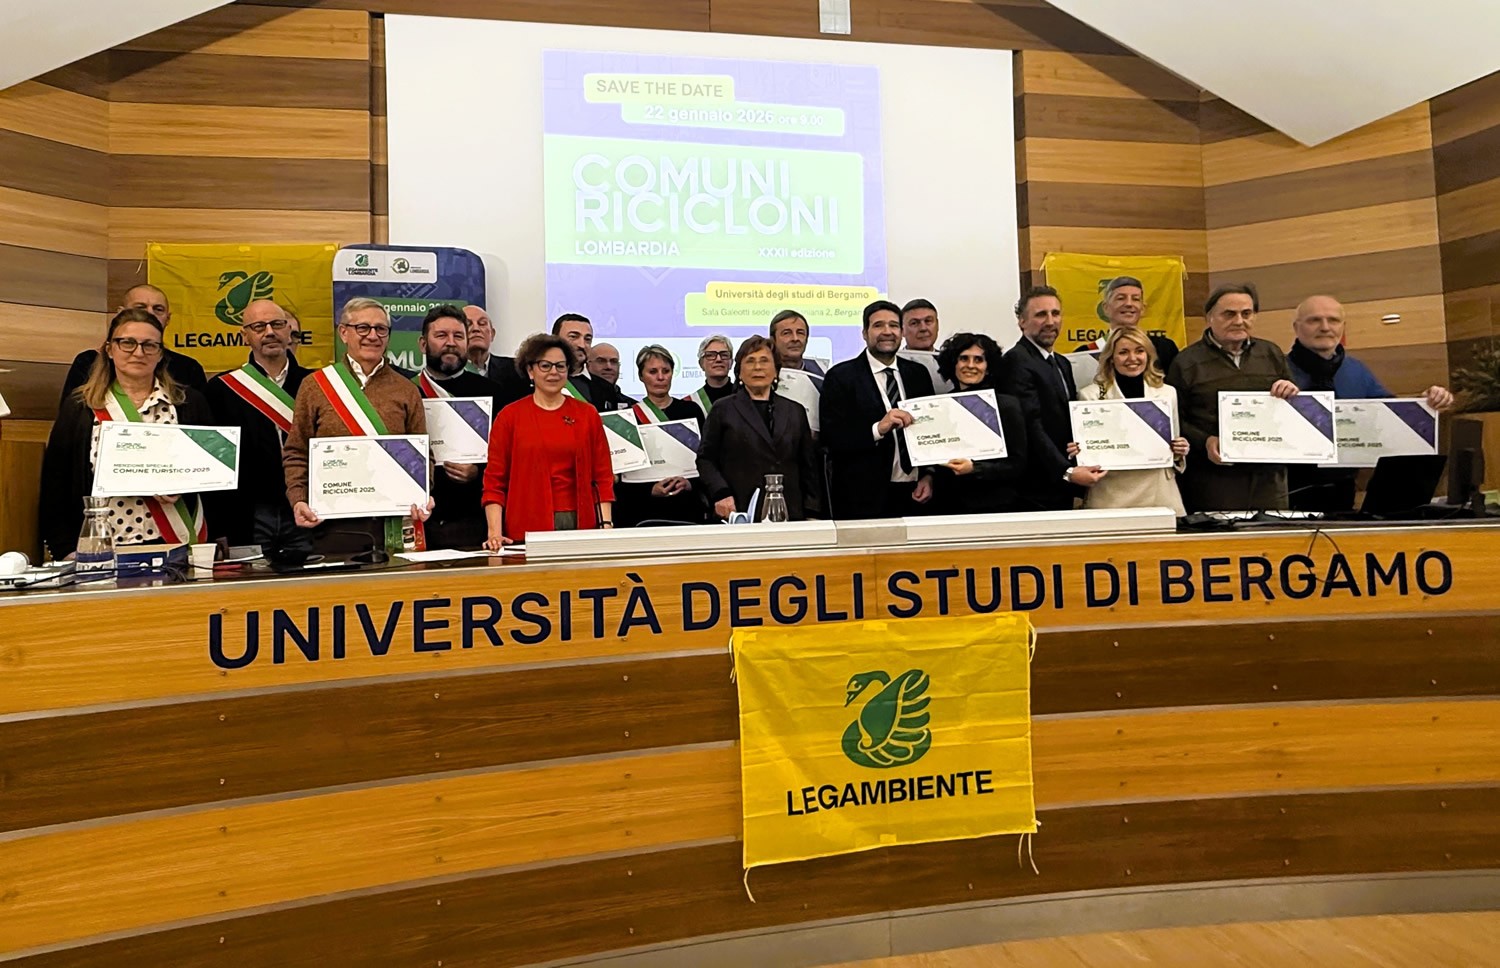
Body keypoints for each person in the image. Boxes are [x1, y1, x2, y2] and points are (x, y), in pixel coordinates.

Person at [40, 308, 214, 559]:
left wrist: (185, 484)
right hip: (104, 546)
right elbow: (56, 481)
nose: (139, 352)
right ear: (110, 349)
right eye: (127, 343)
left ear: (160, 354)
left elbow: (211, 471)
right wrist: (64, 548)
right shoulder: (81, 406)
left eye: (149, 345)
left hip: (176, 544)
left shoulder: (189, 403)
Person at [282, 297, 431, 553]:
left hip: (393, 525)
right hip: (333, 526)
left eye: (381, 329)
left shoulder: (407, 390)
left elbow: (423, 455)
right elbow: (296, 451)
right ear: (343, 333)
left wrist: (423, 495)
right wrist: (298, 499)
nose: (372, 336)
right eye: (363, 328)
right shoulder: (315, 386)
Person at [1284, 294, 1455, 512]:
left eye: (1333, 320)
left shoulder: (1356, 370)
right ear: (1296, 327)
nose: (1325, 327)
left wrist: (1426, 402)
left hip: (1344, 492)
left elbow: (1392, 415)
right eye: (1314, 320)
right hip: (1286, 493)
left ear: (1343, 327)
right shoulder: (1277, 370)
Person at [1166, 283, 1301, 512]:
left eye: (1246, 314)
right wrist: (1205, 441)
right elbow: (1175, 420)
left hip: (1269, 479)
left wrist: (1291, 392)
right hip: (1213, 479)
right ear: (1209, 318)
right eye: (1229, 314)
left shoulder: (1271, 353)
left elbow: (1292, 409)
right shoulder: (1186, 362)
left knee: (1271, 532)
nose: (1239, 321)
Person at [482, 334, 614, 548]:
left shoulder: (587, 414)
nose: (554, 372)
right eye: (545, 366)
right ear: (530, 370)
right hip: (526, 526)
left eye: (560, 366)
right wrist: (494, 533)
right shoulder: (509, 417)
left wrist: (605, 525)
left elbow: (602, 476)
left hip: (583, 525)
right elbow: (495, 481)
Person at [203, 299, 311, 557]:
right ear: (245, 336)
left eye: (277, 324)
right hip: (247, 513)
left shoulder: (315, 383)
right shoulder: (221, 389)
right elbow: (214, 462)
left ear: (289, 331)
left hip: (306, 508)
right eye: (259, 327)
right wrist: (218, 524)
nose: (270, 332)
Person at [820, 300, 937, 519]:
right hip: (863, 498)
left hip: (915, 493)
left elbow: (931, 429)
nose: (887, 332)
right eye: (878, 325)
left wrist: (928, 475)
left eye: (893, 325)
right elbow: (832, 437)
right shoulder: (841, 376)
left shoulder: (918, 374)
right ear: (865, 333)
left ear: (902, 332)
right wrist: (877, 429)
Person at [999, 285, 1102, 510]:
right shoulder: (1016, 361)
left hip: (1061, 484)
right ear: (1022, 321)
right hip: (1033, 488)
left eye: (1055, 313)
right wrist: (1066, 471)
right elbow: (1030, 425)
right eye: (1040, 315)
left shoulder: (1062, 363)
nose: (1050, 321)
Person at [697, 335, 822, 521]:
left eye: (764, 361)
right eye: (750, 361)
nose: (757, 367)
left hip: (791, 513)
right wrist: (720, 494)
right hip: (739, 511)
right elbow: (706, 459)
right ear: (739, 372)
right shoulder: (723, 409)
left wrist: (812, 512)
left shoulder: (795, 410)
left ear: (776, 370)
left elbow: (808, 467)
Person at [415, 305, 506, 549]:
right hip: (422, 518)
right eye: (441, 335)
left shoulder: (492, 392)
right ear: (423, 344)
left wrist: (478, 472)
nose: (451, 343)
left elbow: (506, 458)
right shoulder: (407, 391)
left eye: (458, 336)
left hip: (476, 520)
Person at [1070, 327, 1188, 515]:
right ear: (1111, 358)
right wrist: (1078, 452)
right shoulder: (1090, 396)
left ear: (1148, 355)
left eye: (1139, 351)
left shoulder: (1167, 393)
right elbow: (1087, 454)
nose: (1132, 358)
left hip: (1159, 492)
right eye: (1123, 352)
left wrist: (1179, 450)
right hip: (1110, 493)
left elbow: (1172, 447)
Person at [930, 333, 1030, 514]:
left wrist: (975, 468)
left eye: (978, 360)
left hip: (995, 505)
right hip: (947, 504)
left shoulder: (1006, 405)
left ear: (989, 367)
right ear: (953, 364)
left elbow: (1017, 464)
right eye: (964, 358)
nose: (970, 365)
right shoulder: (940, 405)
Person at [59, 285, 207, 404]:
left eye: (158, 309)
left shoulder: (189, 368)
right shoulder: (87, 363)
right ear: (121, 313)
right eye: (140, 307)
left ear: (167, 319)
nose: (150, 314)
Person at [613, 345, 706, 527]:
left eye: (666, 371)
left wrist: (689, 484)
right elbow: (623, 476)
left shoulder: (691, 410)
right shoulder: (628, 418)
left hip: (687, 509)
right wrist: (649, 490)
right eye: (653, 371)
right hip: (642, 513)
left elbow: (706, 459)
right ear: (641, 376)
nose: (660, 377)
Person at [1072, 276, 1180, 375]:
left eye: (1135, 299)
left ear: (1143, 308)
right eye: (1121, 298)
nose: (1129, 304)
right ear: (1105, 308)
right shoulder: (1086, 353)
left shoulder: (1165, 349)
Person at [553, 313, 628, 412]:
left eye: (587, 339)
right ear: (554, 340)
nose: (582, 345)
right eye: (573, 337)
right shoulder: (537, 384)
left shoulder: (606, 389)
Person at [463, 304, 529, 408]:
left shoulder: (517, 369)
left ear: (492, 334)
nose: (476, 328)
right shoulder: (448, 373)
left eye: (482, 323)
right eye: (468, 324)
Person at [899, 298, 951, 392]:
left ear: (937, 325)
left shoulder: (952, 361)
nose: (923, 328)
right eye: (914, 323)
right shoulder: (894, 365)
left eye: (928, 321)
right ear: (902, 330)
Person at [684, 334, 736, 413]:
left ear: (731, 363)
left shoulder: (746, 398)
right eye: (711, 355)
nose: (718, 359)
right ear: (701, 364)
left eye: (724, 355)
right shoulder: (689, 403)